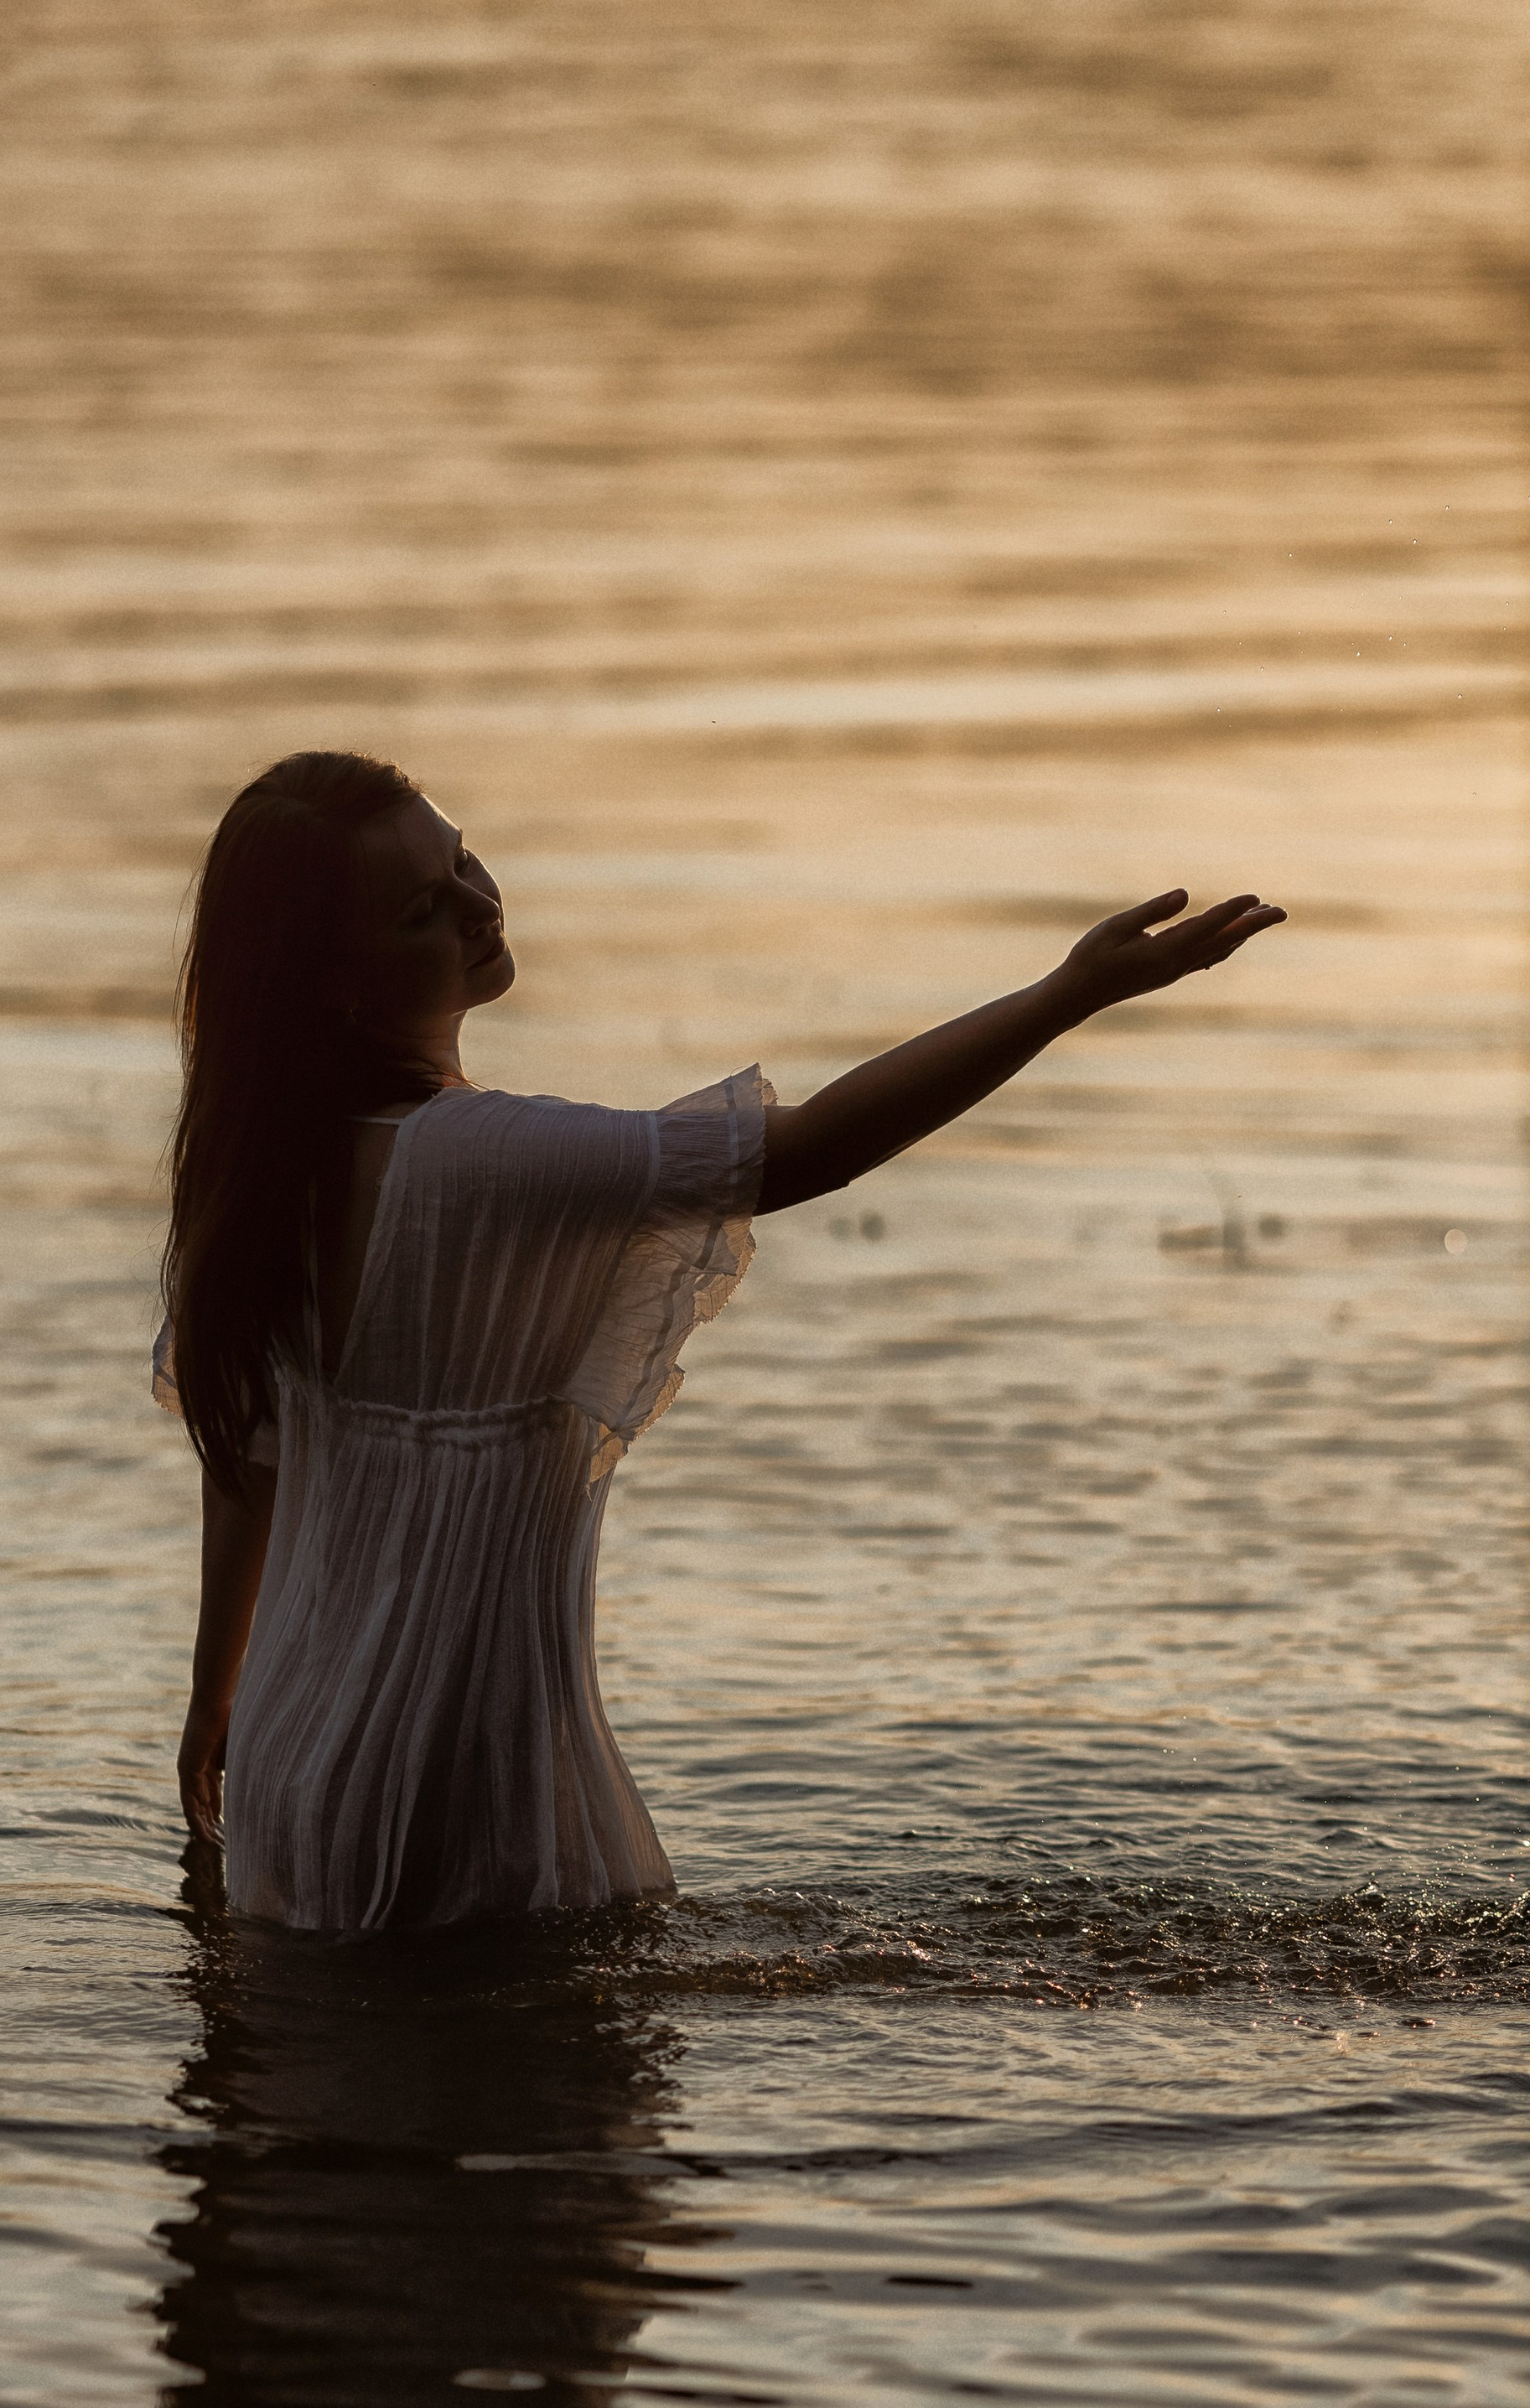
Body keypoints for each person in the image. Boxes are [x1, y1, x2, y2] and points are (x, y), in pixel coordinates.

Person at [153, 748, 1284, 1933]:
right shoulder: (479, 1161)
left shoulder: (252, 1172)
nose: (479, 906)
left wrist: (213, 1696)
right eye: (423, 909)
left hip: (295, 1752)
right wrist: (1066, 995)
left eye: (465, 861)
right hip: (456, 1765)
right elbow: (810, 1150)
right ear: (335, 983)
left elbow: (246, 1460)